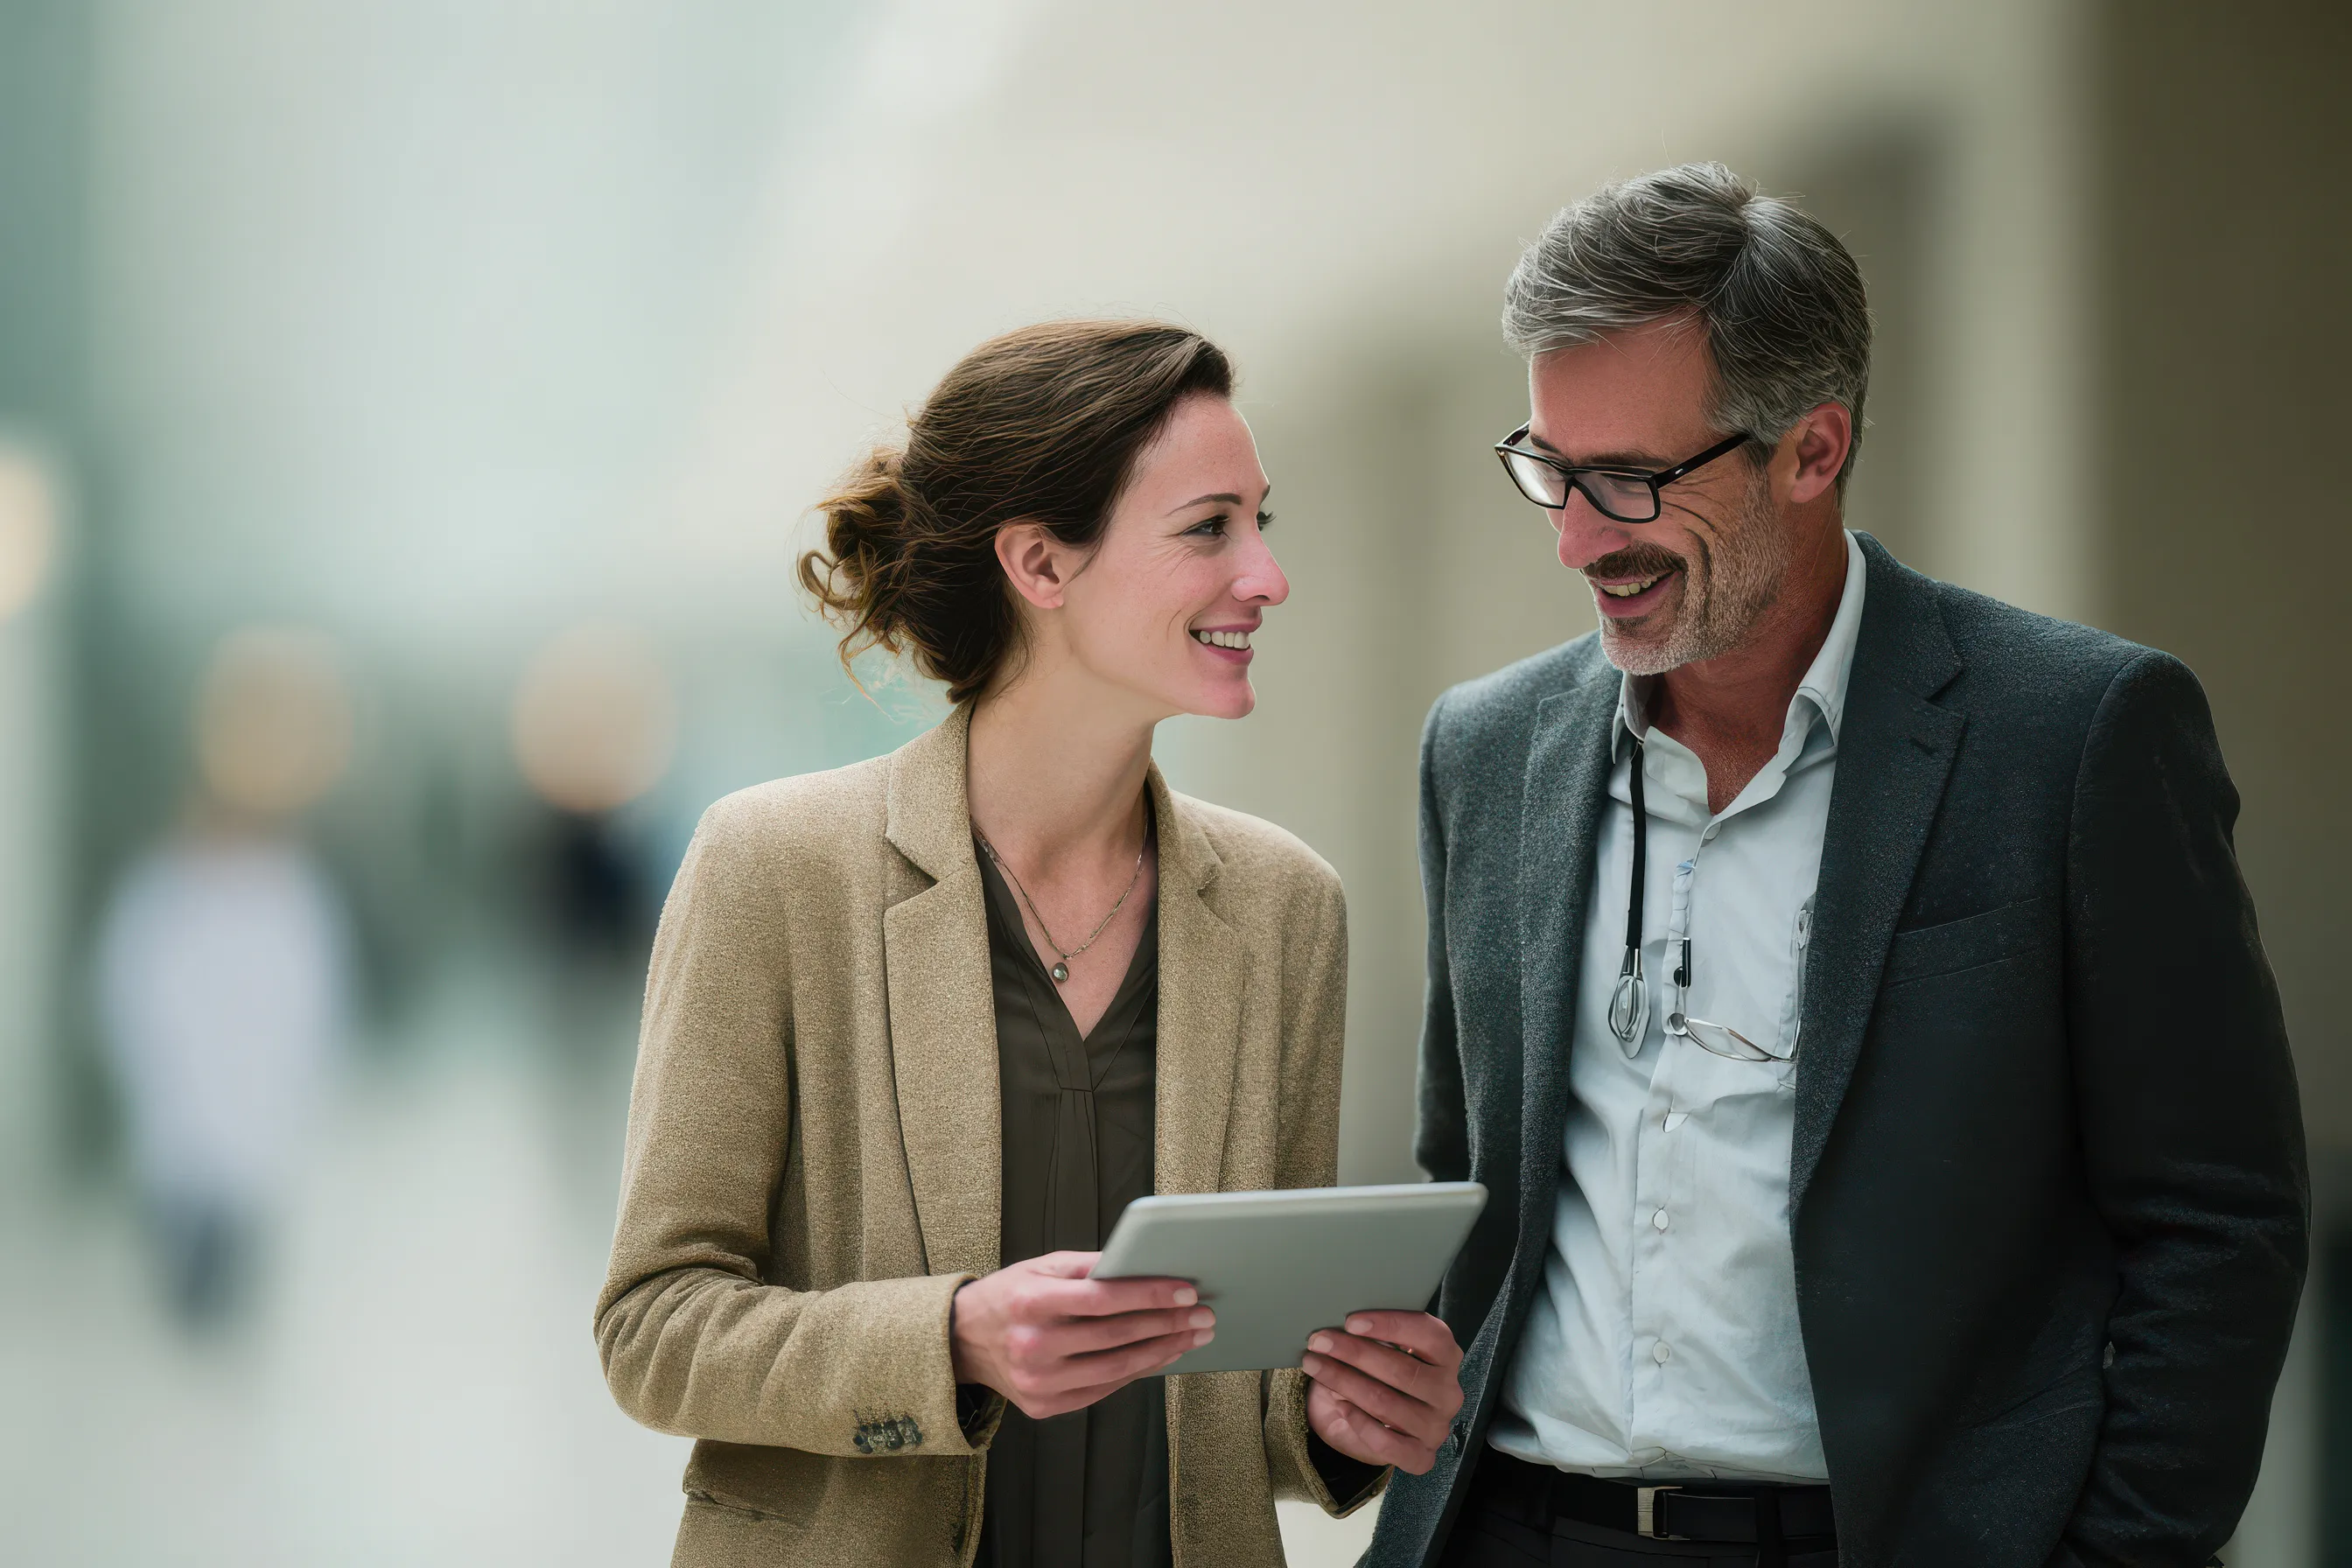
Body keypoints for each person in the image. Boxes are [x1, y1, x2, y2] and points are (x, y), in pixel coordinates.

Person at [1367, 164, 2305, 1568]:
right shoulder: (1482, 749)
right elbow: (1468, 1183)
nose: (1574, 540)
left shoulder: (2077, 736)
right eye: (1552, 470)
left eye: (1630, 480)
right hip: (1515, 1527)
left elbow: (2217, 1221)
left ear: (1812, 450)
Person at [597, 320, 1466, 1568]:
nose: (1266, 576)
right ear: (1041, 564)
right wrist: (950, 1339)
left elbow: (1242, 1394)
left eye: (1262, 524)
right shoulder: (776, 870)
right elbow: (654, 1326)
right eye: (1209, 527)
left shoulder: (1285, 909)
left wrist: (1337, 1421)